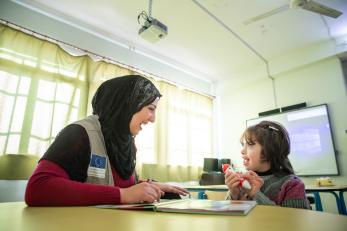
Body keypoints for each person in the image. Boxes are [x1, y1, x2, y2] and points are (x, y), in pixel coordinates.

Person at [25, 75, 188, 206]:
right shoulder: (79, 133)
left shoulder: (128, 144)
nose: (153, 119)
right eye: (151, 109)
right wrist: (122, 195)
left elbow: (120, 184)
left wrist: (149, 186)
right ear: (127, 105)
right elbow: (38, 188)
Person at [225, 120, 311, 209]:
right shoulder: (243, 180)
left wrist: (256, 194)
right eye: (243, 145)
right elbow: (228, 215)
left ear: (269, 151)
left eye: (250, 145)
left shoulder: (292, 185)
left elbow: (293, 220)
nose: (242, 151)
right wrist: (233, 194)